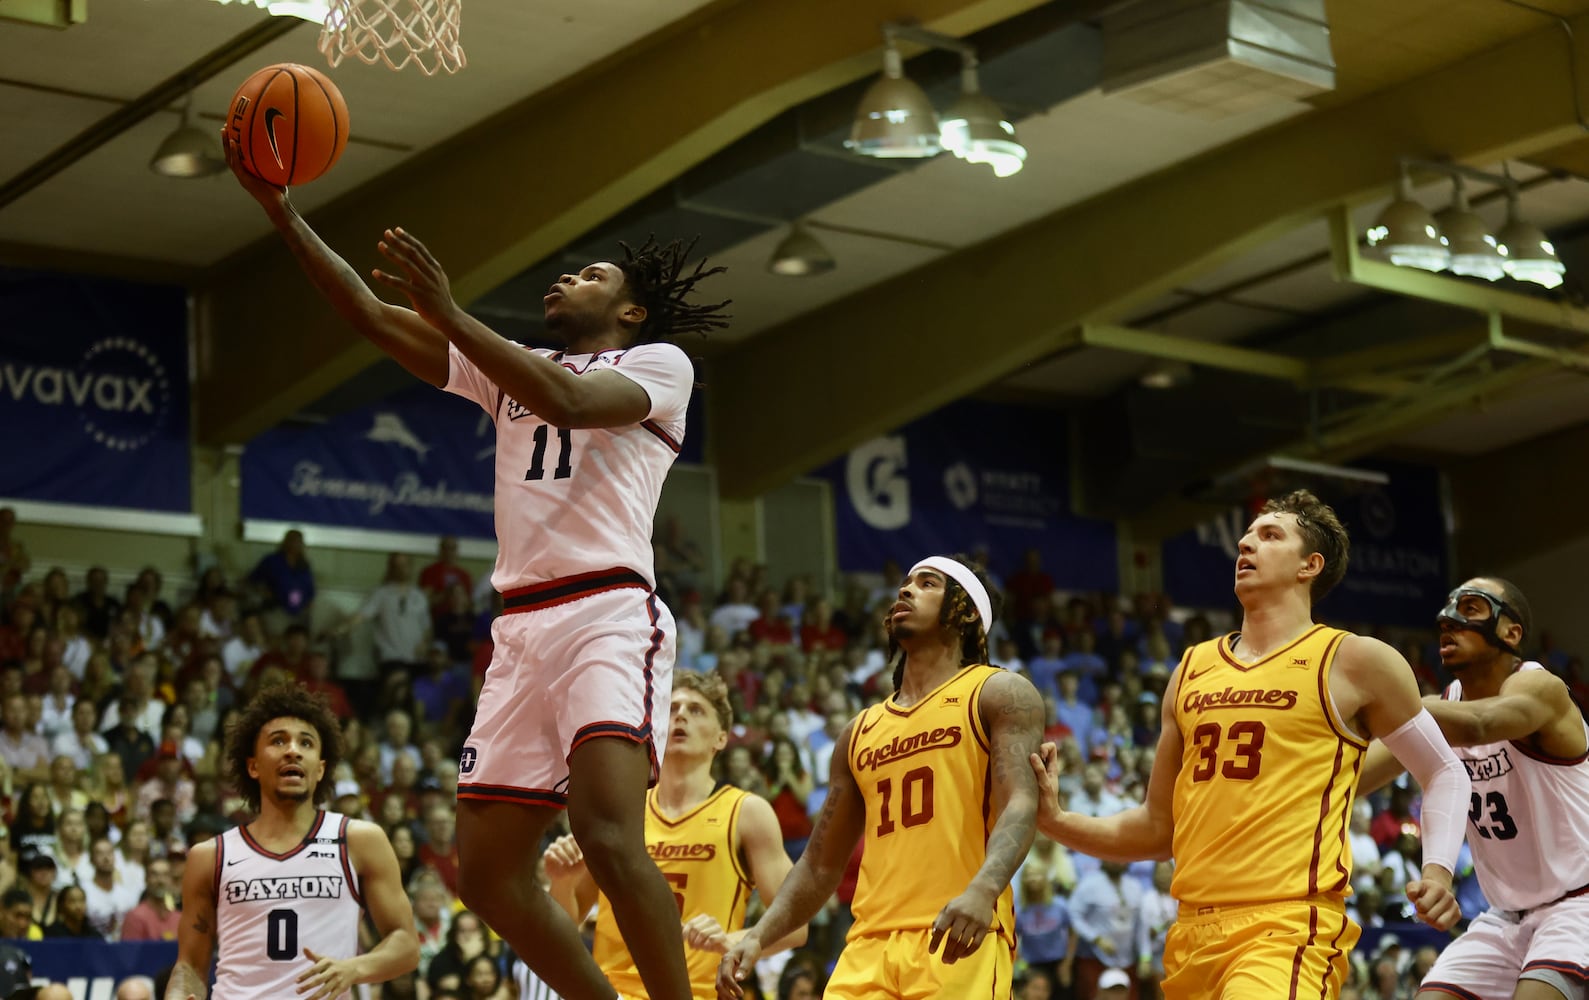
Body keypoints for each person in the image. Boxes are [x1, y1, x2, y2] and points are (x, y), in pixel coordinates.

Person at [227, 129, 729, 1000]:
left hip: (605, 612)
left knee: (607, 834)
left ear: (631, 311)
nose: (567, 279)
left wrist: (453, 313)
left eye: (592, 277)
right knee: (489, 877)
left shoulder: (658, 364)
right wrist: (281, 209)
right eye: (567, 273)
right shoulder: (510, 369)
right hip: (520, 631)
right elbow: (367, 314)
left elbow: (566, 398)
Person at [1029, 491, 1470, 1000]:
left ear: (1311, 564)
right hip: (1192, 930)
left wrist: (1437, 872)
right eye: (1246, 535)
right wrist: (1057, 821)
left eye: (1269, 534)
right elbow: (1156, 827)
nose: (1245, 542)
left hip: (1284, 925)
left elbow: (1442, 770)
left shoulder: (1355, 660)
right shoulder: (1191, 668)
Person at [719, 555, 1044, 999]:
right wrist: (759, 935)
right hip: (868, 945)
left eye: (927, 584)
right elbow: (819, 864)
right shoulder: (859, 730)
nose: (905, 591)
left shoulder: (998, 692)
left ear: (967, 611)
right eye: (904, 584)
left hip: (956, 930)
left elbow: (1021, 803)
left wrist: (985, 888)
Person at [1359, 578, 1589, 1000]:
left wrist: (1398, 708)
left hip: (1579, 904)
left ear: (1510, 632)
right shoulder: (1442, 707)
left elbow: (1480, 724)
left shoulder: (1542, 689)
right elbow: (1351, 782)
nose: (1447, 620)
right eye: (1447, 610)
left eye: (1470, 608)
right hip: (1504, 918)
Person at [545, 671, 804, 999]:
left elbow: (796, 924)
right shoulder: (619, 812)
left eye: (696, 710)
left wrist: (732, 940)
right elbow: (564, 930)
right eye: (672, 708)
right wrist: (562, 881)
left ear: (721, 738)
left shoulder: (747, 813)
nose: (680, 714)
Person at [165, 684, 418, 1000]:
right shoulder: (210, 856)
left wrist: (355, 968)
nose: (293, 750)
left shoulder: (358, 840)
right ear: (253, 766)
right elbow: (189, 965)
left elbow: (406, 944)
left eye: (306, 743)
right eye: (278, 741)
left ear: (320, 768)